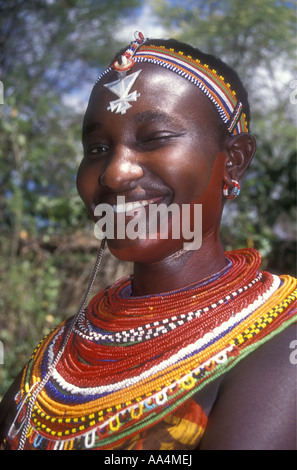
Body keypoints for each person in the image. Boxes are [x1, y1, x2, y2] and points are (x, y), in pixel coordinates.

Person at [0, 32, 296, 451]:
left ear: (233, 161)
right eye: (98, 147)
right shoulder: (61, 353)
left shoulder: (283, 339)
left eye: (154, 138)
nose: (115, 174)